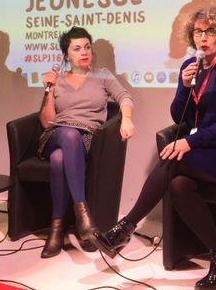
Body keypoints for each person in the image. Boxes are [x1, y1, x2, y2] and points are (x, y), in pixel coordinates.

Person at [96, 6, 216, 290]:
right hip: (210, 150)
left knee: (174, 162)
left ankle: (125, 228)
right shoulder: (190, 66)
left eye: (209, 31)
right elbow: (179, 116)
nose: (203, 37)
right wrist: (185, 86)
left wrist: (190, 141)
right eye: (198, 32)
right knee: (178, 187)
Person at [37, 26, 135, 258]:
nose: (84, 52)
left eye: (87, 47)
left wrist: (127, 119)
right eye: (77, 48)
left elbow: (125, 97)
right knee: (68, 135)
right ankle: (84, 216)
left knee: (58, 159)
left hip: (88, 137)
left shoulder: (102, 75)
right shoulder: (57, 79)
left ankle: (56, 229)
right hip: (57, 133)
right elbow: (47, 122)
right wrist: (48, 92)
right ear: (67, 54)